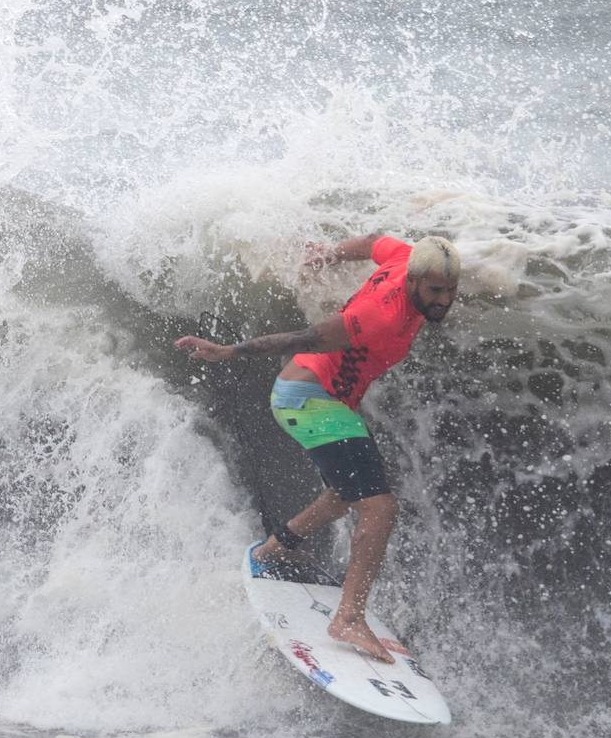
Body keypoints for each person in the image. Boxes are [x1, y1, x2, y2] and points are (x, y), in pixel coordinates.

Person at [174, 234, 461, 664]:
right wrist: (229, 351)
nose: (444, 300)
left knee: (344, 492)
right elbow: (304, 338)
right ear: (415, 281)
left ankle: (277, 547)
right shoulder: (378, 316)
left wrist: (325, 254)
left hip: (330, 401)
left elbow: (373, 242)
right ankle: (348, 618)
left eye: (451, 291)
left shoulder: (407, 257)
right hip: (308, 400)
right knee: (379, 507)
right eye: (436, 291)